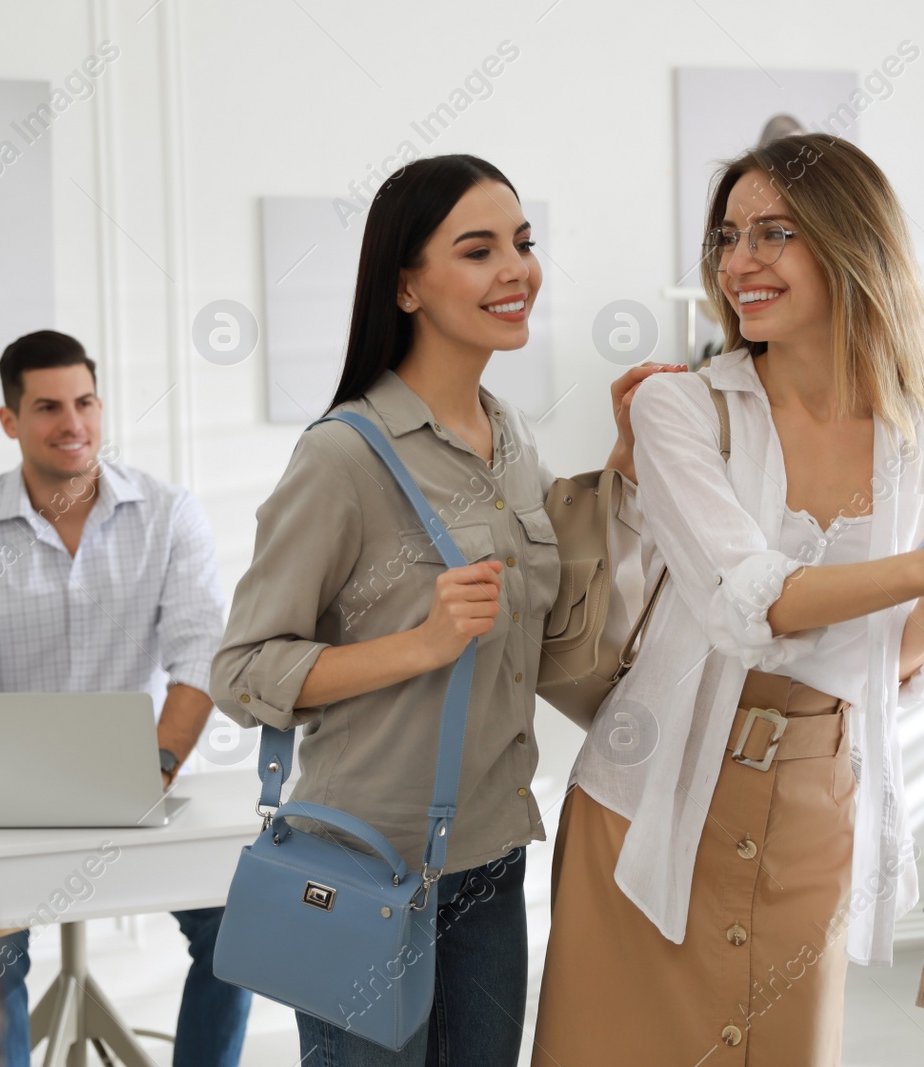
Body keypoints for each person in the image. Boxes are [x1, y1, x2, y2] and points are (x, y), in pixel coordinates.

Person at [210, 154, 680, 1067]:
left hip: (490, 854)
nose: (516, 270)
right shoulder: (345, 458)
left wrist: (623, 464)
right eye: (478, 250)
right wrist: (417, 643)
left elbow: (548, 622)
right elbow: (240, 670)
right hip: (362, 861)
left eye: (523, 243)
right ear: (408, 285)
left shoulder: (509, 438)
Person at [532, 133, 924, 1065]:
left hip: (817, 802)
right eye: (727, 238)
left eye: (772, 233)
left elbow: (896, 658)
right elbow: (748, 603)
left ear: (852, 243)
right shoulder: (681, 410)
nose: (739, 263)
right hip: (647, 803)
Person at [0, 330, 251, 1067]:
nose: (73, 422)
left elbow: (199, 654)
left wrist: (158, 763)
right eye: (47, 407)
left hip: (152, 779)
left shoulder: (169, 514)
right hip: (9, 803)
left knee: (239, 924)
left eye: (85, 401)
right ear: (10, 420)